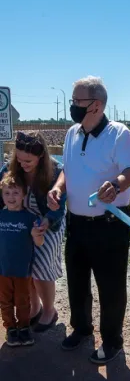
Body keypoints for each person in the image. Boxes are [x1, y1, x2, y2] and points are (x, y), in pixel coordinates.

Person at [47, 76, 130, 365]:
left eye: (77, 101)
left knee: (111, 287)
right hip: (76, 223)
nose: (72, 106)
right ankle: (82, 329)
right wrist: (58, 187)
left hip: (109, 225)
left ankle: (112, 341)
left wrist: (117, 184)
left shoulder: (119, 134)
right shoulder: (72, 133)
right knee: (76, 282)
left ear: (96, 105)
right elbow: (67, 169)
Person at [0, 131, 67, 332]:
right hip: (22, 222)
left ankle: (49, 311)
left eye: (28, 160)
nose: (23, 164)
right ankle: (34, 307)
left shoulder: (55, 171)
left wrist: (46, 222)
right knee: (26, 266)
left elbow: (59, 209)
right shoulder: (10, 168)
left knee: (43, 269)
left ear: (41, 156)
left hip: (47, 222)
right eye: (19, 159)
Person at [0, 172, 45, 346]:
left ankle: (24, 327)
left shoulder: (30, 218)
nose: (11, 197)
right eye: (7, 193)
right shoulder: (1, 215)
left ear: (24, 194)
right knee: (5, 302)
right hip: (2, 270)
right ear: (2, 195)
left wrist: (36, 235)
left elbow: (39, 243)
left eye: (15, 193)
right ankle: (10, 328)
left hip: (23, 270)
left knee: (23, 301)